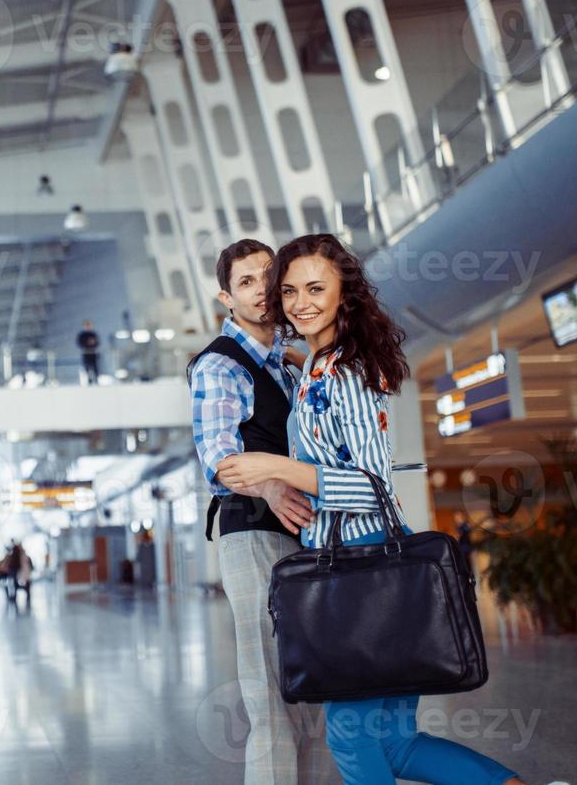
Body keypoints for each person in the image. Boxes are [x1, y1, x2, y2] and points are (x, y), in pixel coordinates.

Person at [217, 234, 528, 785]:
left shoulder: (347, 371)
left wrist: (276, 468)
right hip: (366, 564)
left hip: (364, 563)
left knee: (352, 738)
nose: (299, 302)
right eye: (289, 290)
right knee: (393, 742)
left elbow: (368, 484)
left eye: (316, 288)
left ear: (346, 295)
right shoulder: (319, 364)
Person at [188, 238, 319, 784]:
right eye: (245, 282)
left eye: (268, 277)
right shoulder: (221, 364)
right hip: (253, 534)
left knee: (310, 695)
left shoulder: (284, 364)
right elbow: (217, 455)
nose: (261, 290)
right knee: (270, 695)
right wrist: (267, 487)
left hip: (299, 533)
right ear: (226, 296)